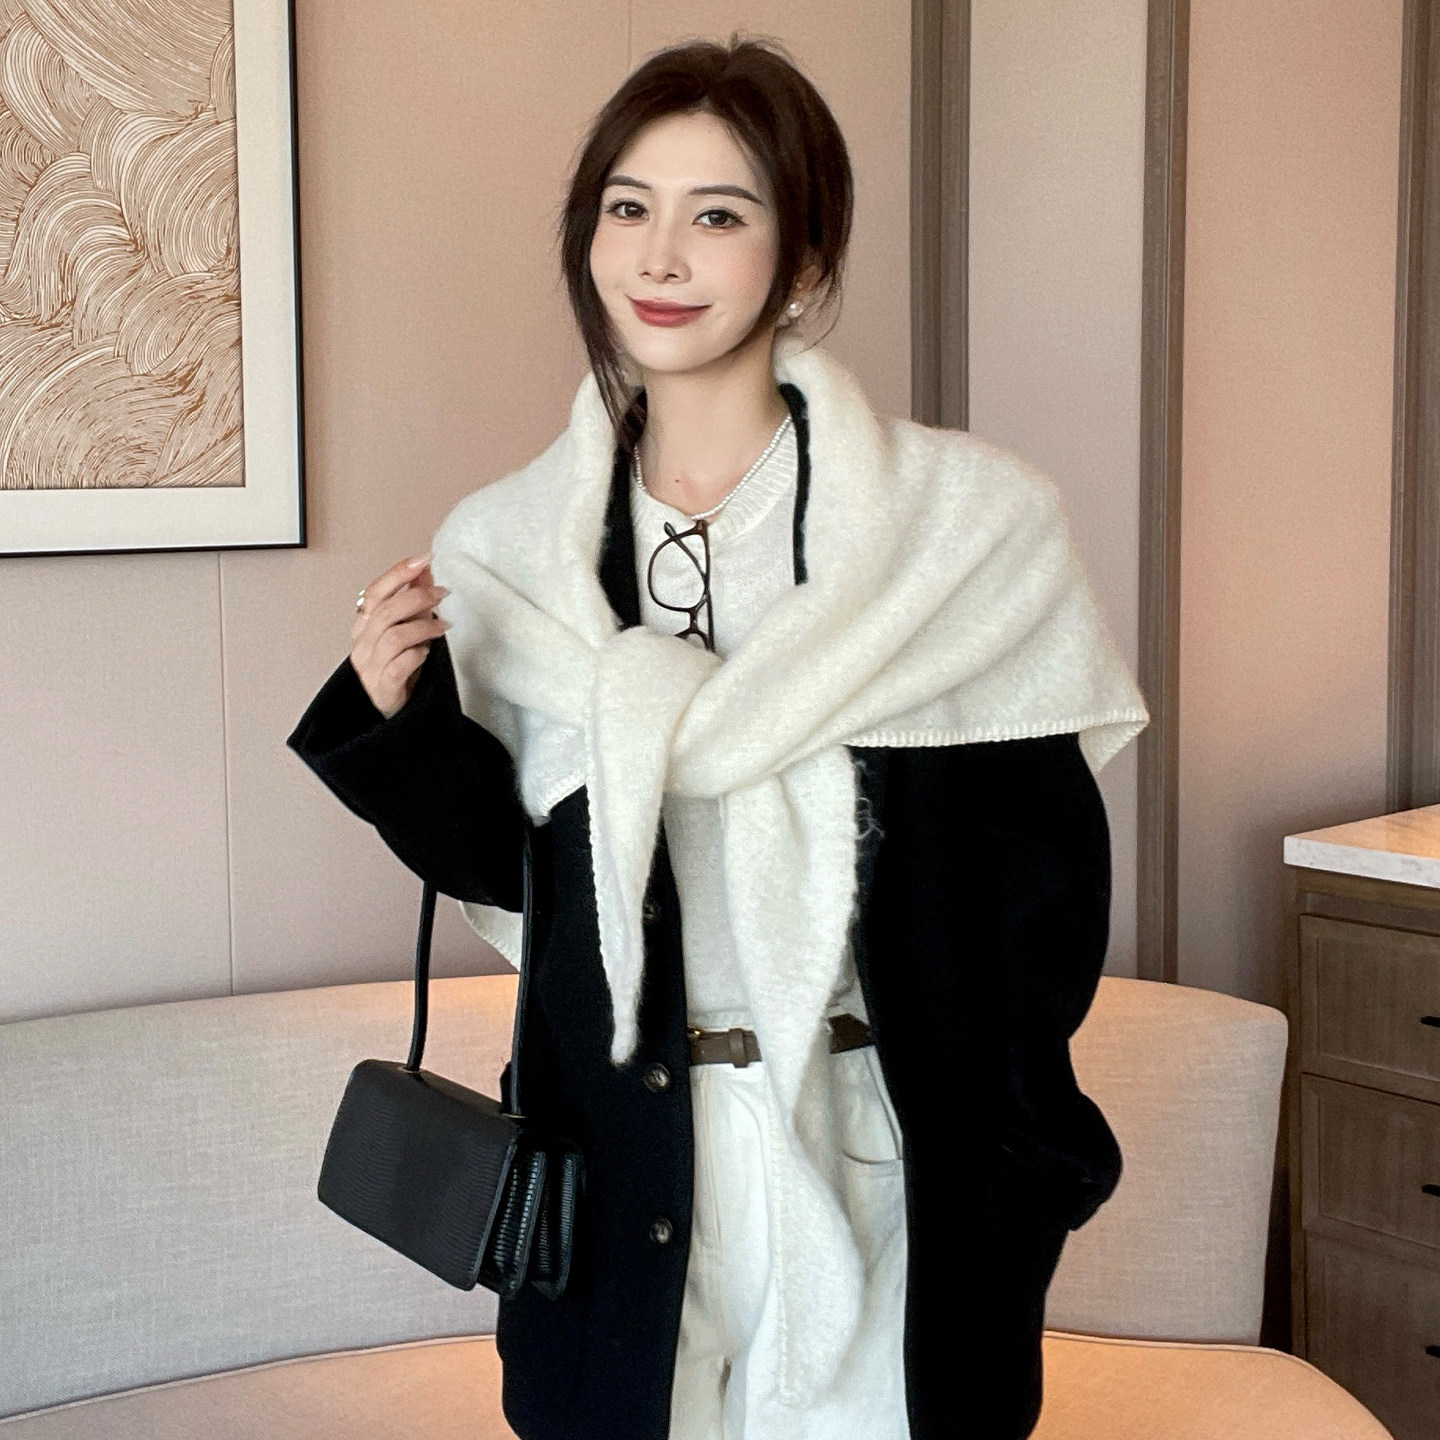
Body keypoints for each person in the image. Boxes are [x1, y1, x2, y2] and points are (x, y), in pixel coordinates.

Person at [287, 34, 1150, 1440]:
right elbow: (522, 880)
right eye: (628, 207)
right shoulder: (511, 551)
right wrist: (397, 727)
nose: (662, 255)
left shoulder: (962, 529)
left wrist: (1021, 1150)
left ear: (802, 262)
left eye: (720, 214)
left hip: (877, 1132)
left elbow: (1041, 890)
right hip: (628, 1146)